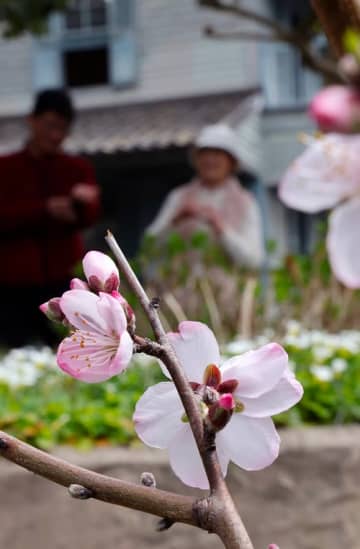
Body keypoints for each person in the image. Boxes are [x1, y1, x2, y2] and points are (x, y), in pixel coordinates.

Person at [0, 89, 101, 347]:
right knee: (14, 352)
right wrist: (44, 210)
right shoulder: (6, 168)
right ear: (31, 121)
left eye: (63, 128)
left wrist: (81, 205)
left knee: (71, 347)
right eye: (50, 125)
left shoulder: (77, 168)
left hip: (63, 280)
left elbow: (91, 216)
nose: (56, 135)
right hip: (12, 283)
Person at [146, 124, 264, 269]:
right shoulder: (178, 197)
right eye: (205, 153)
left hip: (228, 290)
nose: (210, 160)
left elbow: (253, 261)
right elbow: (149, 245)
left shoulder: (246, 202)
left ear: (231, 161)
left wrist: (221, 228)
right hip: (178, 289)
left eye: (217, 154)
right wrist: (176, 220)